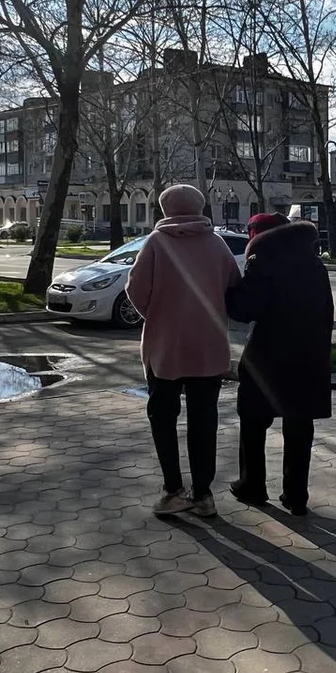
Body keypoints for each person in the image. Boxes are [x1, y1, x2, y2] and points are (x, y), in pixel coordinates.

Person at [126, 184, 241, 518]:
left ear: (165, 209)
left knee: (162, 417)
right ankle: (204, 495)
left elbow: (135, 289)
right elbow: (233, 285)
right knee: (204, 419)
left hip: (165, 349)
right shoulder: (216, 244)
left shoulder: (156, 243)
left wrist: (159, 316)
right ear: (200, 207)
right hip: (208, 347)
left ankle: (173, 490)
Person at [226, 213, 334, 517]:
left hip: (267, 358)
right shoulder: (315, 263)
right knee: (300, 425)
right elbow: (327, 312)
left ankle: (252, 485)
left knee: (253, 421)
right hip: (309, 356)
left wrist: (230, 291)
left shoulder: (262, 262)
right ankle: (296, 496)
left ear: (258, 237)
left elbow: (246, 309)